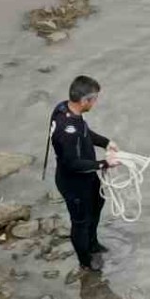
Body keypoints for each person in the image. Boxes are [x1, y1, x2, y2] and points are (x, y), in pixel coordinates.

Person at [48, 76, 120, 271]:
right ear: (84, 101)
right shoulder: (67, 131)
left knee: (97, 204)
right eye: (94, 99)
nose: (96, 102)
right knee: (80, 222)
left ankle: (93, 244)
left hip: (87, 176)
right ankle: (85, 262)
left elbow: (85, 132)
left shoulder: (64, 108)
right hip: (73, 182)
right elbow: (73, 164)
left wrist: (105, 142)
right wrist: (104, 163)